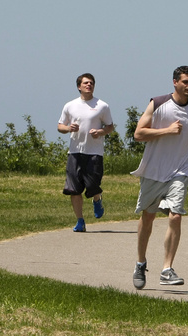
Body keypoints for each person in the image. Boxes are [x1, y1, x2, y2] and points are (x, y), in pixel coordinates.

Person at [130, 66, 188, 289]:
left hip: (180, 169)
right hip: (154, 170)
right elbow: (138, 134)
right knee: (148, 218)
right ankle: (140, 263)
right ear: (174, 82)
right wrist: (165, 131)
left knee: (176, 216)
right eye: (185, 81)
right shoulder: (158, 104)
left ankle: (167, 269)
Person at [57, 73, 115, 232]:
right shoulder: (70, 105)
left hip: (94, 152)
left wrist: (100, 132)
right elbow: (60, 126)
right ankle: (80, 221)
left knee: (93, 185)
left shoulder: (102, 105)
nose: (89, 85)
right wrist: (69, 128)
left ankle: (97, 200)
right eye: (86, 83)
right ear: (79, 87)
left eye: (91, 83)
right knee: (74, 189)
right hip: (75, 152)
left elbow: (110, 126)